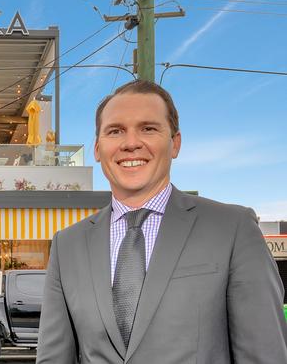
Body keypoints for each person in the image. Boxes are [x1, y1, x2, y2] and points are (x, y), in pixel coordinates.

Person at [36, 80, 287, 363]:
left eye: (148, 128)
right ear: (97, 148)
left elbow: (265, 356)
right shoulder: (67, 245)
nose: (131, 143)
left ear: (175, 143)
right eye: (115, 131)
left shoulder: (233, 229)